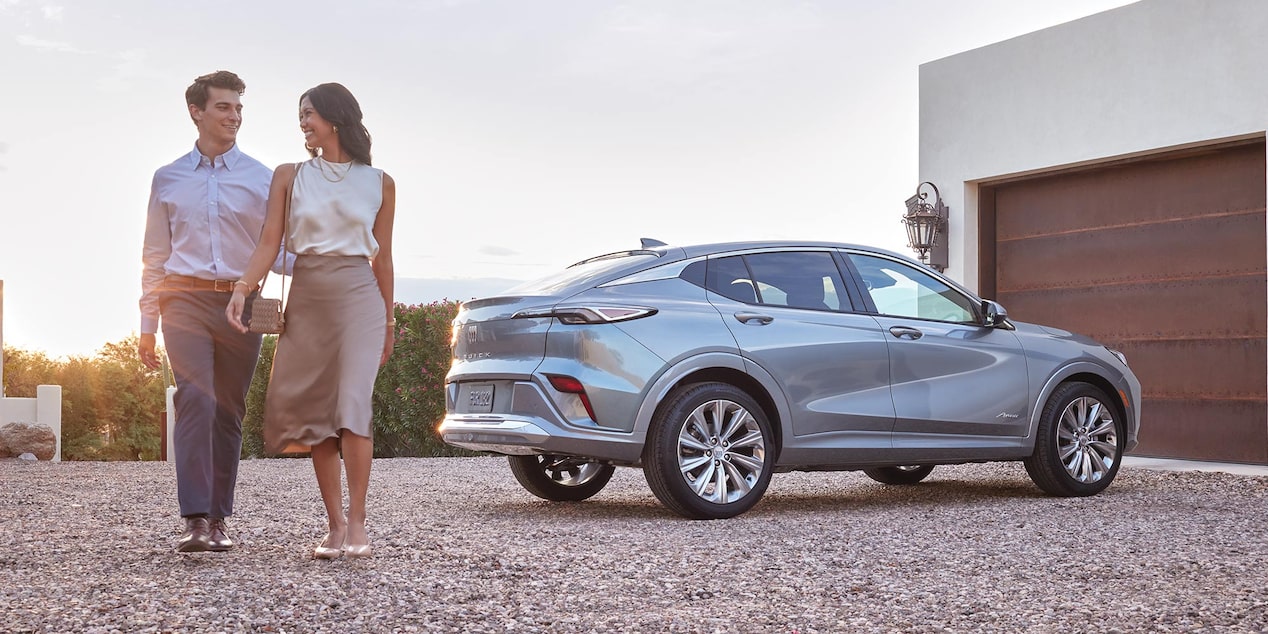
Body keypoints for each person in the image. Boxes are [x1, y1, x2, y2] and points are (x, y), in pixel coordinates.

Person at [226, 82, 395, 560]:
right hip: (308, 295)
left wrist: (387, 322)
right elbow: (268, 243)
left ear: (335, 118)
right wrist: (242, 289)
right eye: (300, 115)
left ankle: (360, 520)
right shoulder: (288, 175)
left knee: (353, 403)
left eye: (309, 114)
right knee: (321, 413)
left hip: (361, 297)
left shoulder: (381, 182)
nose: (303, 123)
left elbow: (383, 259)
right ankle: (335, 524)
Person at [140, 70, 278, 553]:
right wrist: (146, 326)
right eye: (223, 107)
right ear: (196, 112)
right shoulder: (168, 178)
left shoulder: (263, 178)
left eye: (238, 108)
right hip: (182, 299)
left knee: (229, 410)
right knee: (195, 400)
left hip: (243, 303)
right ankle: (195, 518)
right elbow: (155, 255)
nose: (234, 116)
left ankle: (220, 518)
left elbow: (279, 250)